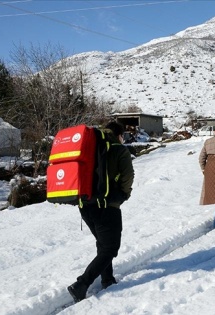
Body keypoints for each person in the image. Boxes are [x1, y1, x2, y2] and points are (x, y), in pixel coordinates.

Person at [67, 121, 134, 303]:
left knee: (103, 244)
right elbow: (128, 176)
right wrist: (122, 196)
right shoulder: (119, 149)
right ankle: (81, 285)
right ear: (119, 135)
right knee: (110, 248)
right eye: (123, 136)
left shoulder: (90, 145)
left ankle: (107, 279)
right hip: (107, 206)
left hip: (85, 206)